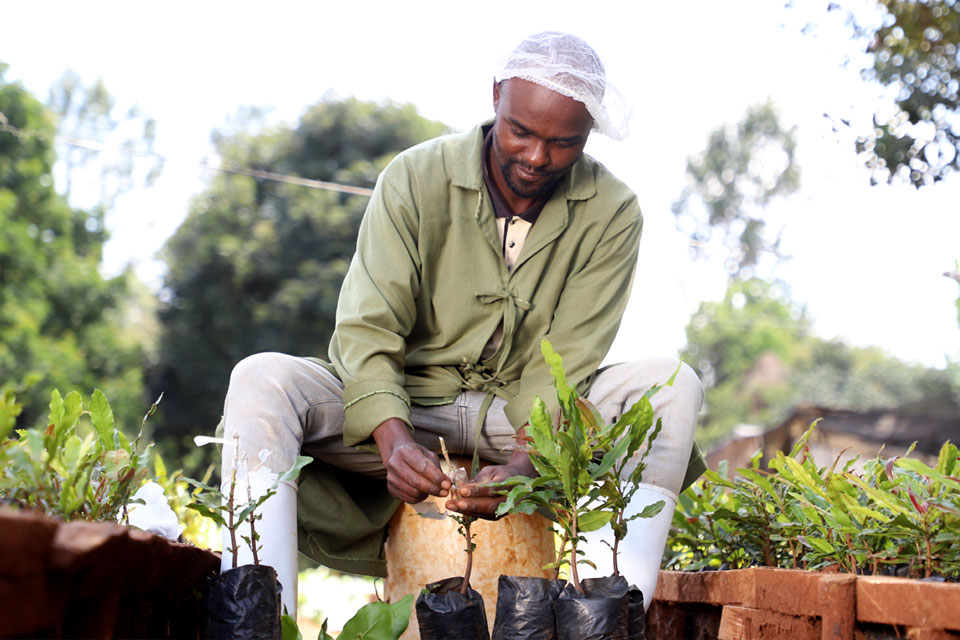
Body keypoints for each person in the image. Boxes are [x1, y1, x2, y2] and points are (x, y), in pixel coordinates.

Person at [217, 31, 705, 617]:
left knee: (675, 385)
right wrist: (393, 440)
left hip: (524, 422)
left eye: (563, 143)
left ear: (588, 136)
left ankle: (607, 620)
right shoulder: (413, 178)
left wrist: (527, 465)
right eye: (521, 130)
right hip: (408, 406)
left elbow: (569, 359)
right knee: (260, 377)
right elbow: (368, 329)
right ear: (496, 96)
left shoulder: (613, 210)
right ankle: (263, 624)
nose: (536, 157)